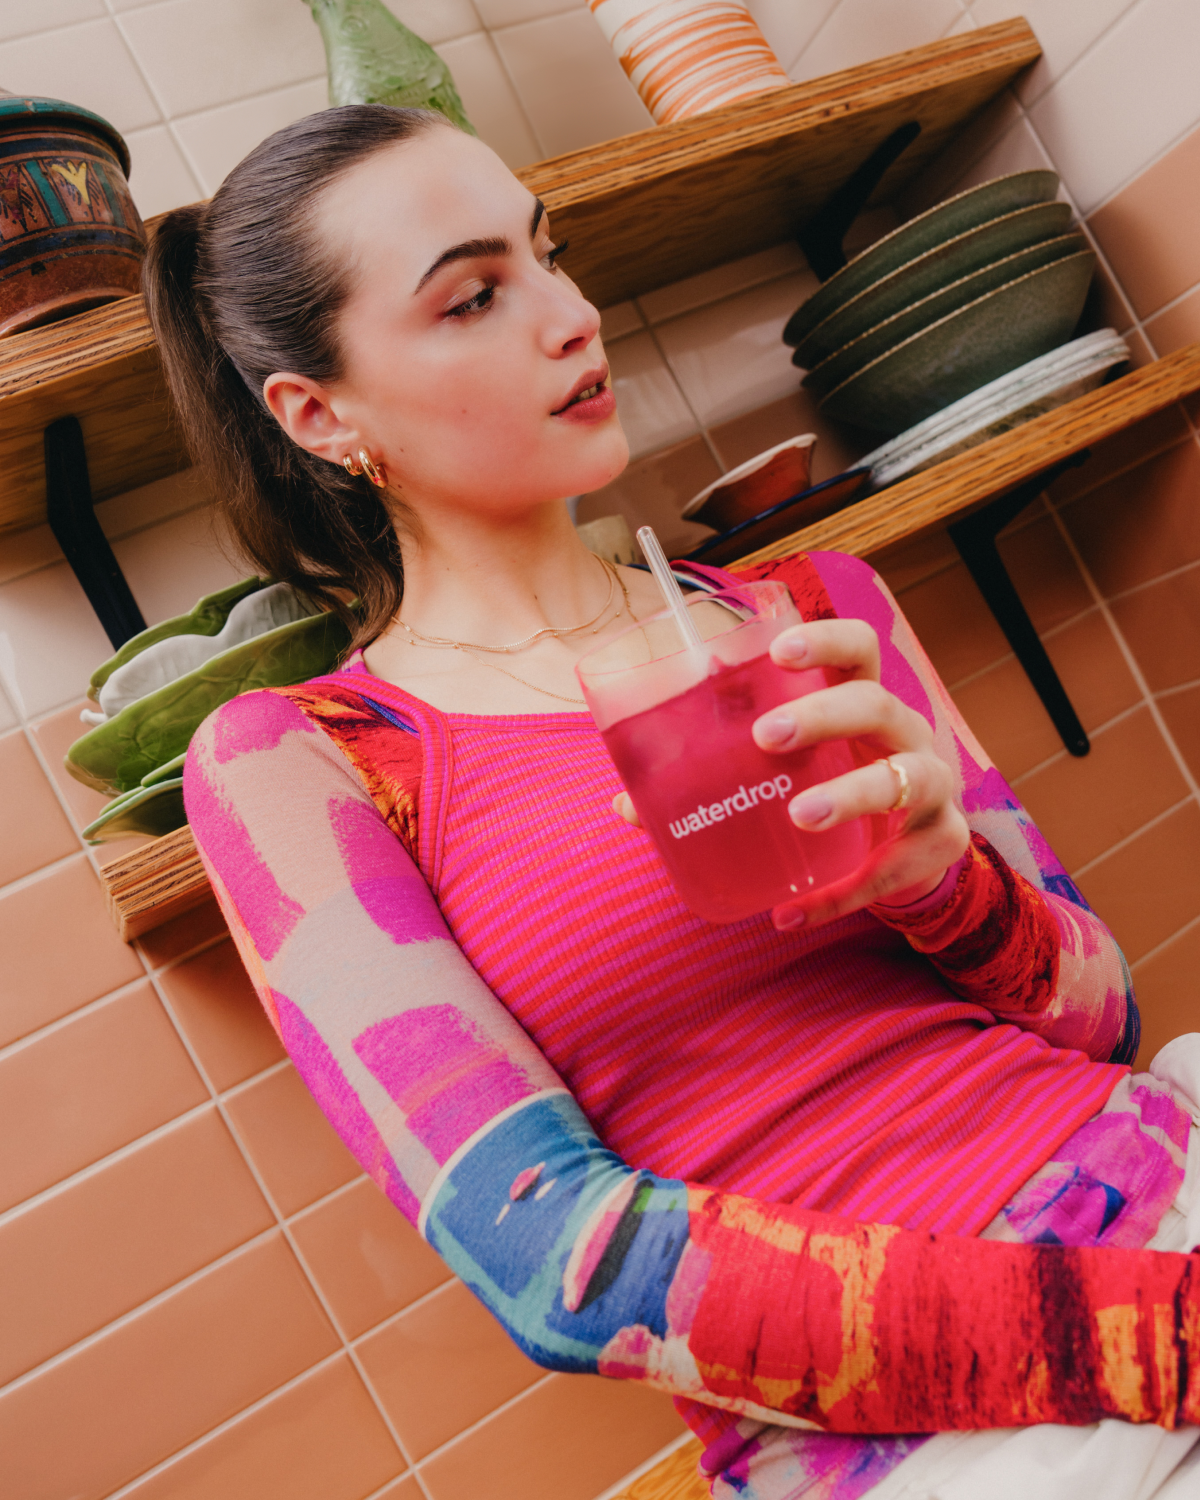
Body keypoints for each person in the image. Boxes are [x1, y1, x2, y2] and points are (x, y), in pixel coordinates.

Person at [144, 105, 1200, 1499]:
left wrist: (947, 883)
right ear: (320, 414)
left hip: (1160, 1183)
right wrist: (1146, 1335)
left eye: (550, 253)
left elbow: (1101, 1021)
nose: (572, 315)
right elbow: (558, 1266)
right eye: (474, 296)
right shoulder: (304, 762)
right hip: (932, 1431)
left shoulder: (814, 612)